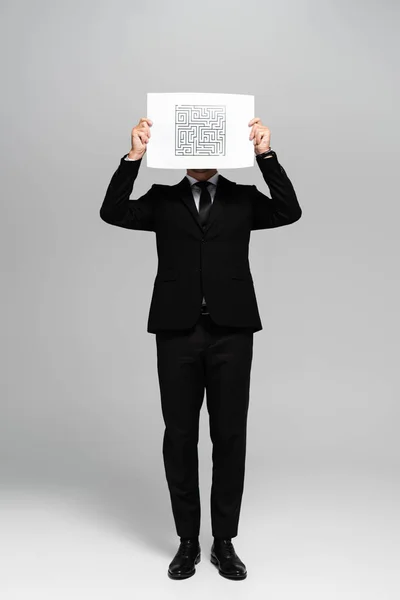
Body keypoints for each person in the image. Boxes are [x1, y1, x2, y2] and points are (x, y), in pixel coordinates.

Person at [99, 116, 302, 580]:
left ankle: (224, 542)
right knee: (180, 436)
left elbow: (289, 210)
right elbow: (112, 211)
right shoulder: (162, 199)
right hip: (177, 331)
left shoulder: (244, 197)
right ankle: (187, 540)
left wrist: (265, 156)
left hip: (233, 331)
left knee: (230, 436)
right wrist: (134, 157)